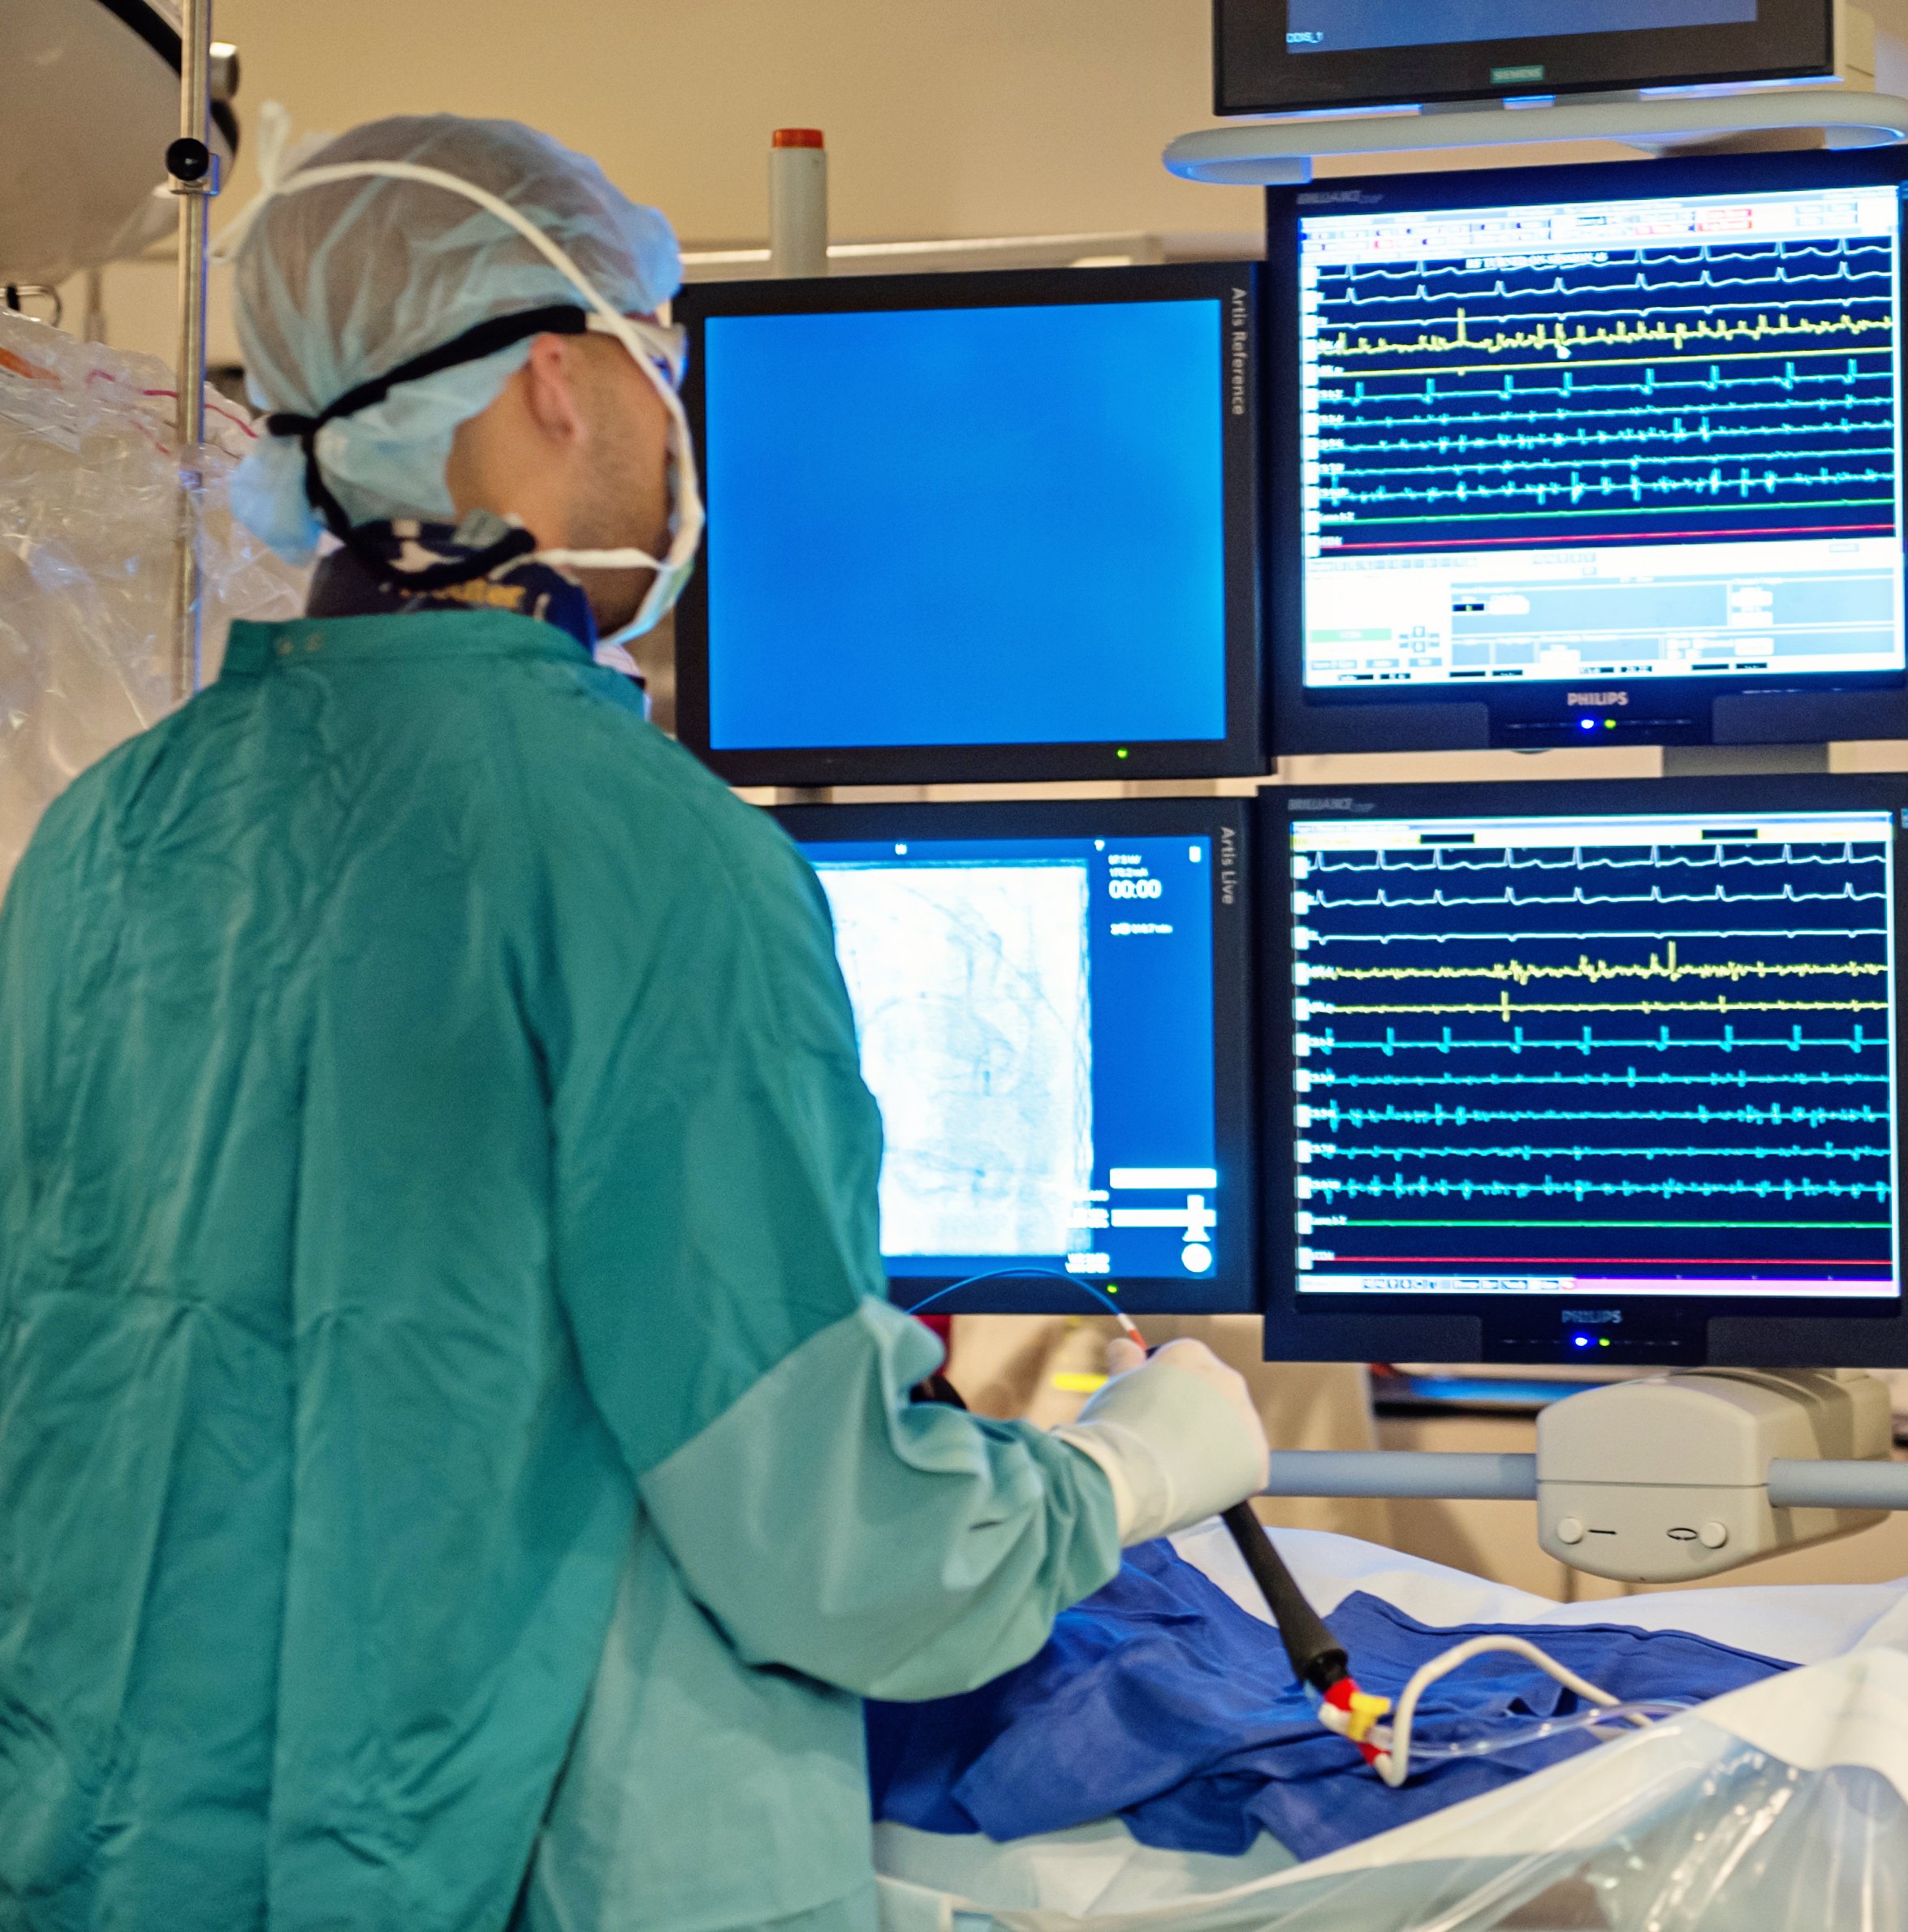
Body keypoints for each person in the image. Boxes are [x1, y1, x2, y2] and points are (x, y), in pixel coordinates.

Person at [0, 114, 1268, 1932]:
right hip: (523, 1866)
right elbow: (837, 1551)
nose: (680, 428)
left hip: (117, 1864)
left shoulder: (110, 831)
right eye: (658, 361)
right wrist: (1125, 1468)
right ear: (554, 377)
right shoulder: (650, 856)